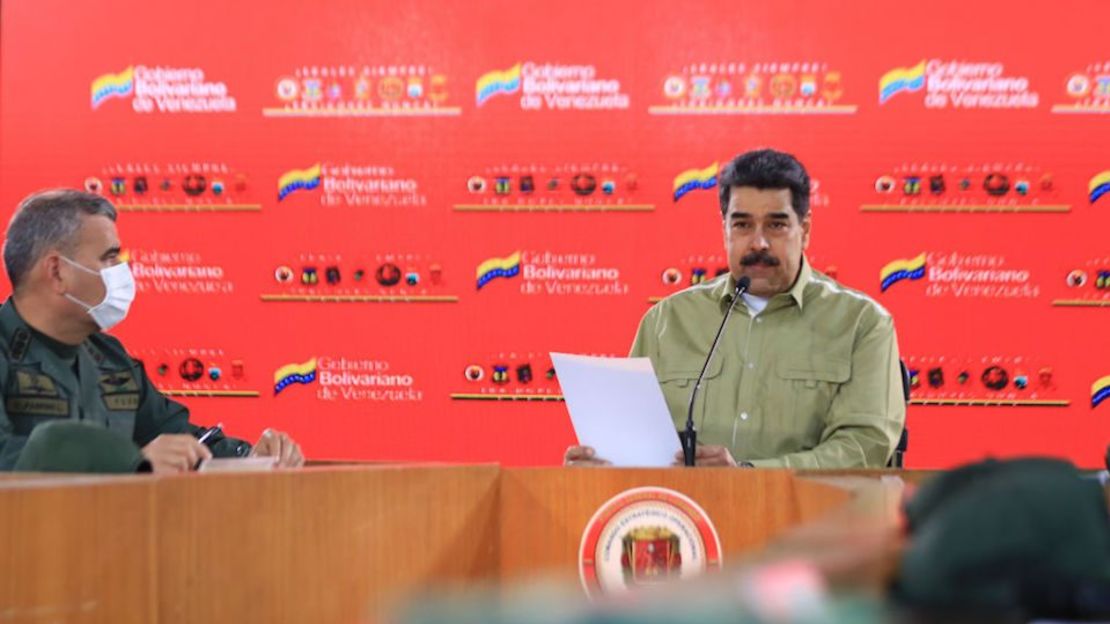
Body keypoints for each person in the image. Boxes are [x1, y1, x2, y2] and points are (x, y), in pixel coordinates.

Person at [566, 149, 904, 468]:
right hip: (686, 523)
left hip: (809, 522)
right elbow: (629, 441)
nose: (758, 242)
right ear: (725, 228)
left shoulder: (862, 324)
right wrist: (602, 463)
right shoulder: (667, 321)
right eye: (742, 224)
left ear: (805, 230)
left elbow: (863, 447)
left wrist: (749, 475)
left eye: (776, 225)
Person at [0, 189, 303, 472]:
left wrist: (250, 458)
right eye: (109, 257)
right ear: (56, 271)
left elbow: (183, 439)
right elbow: (8, 454)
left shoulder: (109, 357)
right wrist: (130, 463)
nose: (122, 270)